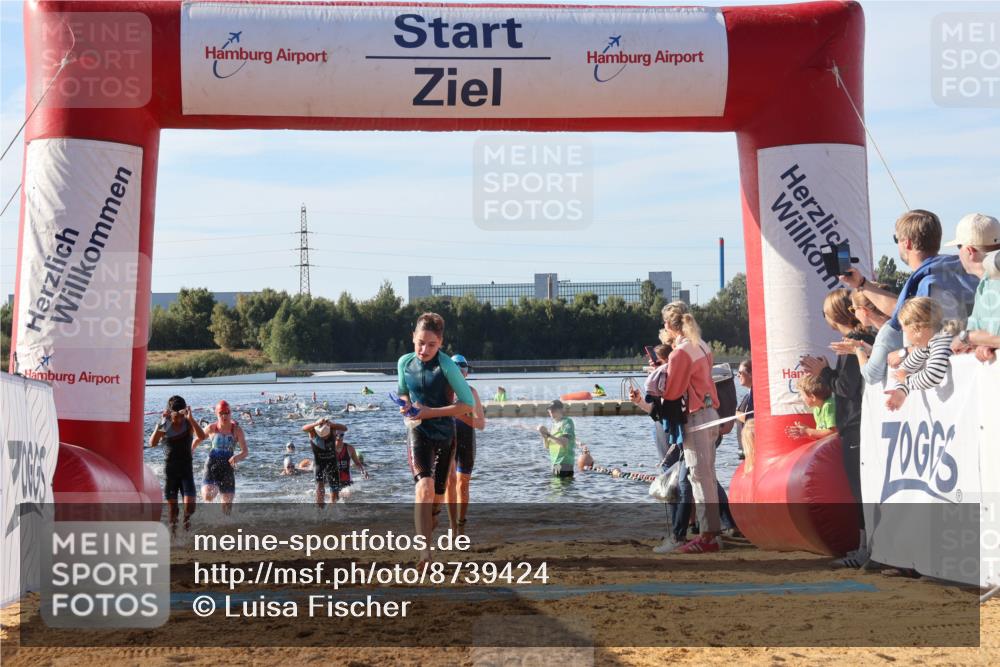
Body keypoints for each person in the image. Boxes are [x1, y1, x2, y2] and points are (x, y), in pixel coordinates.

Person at [839, 210, 978, 381]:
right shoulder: (963, 271)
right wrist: (861, 284)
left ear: (907, 243)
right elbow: (902, 309)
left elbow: (937, 339)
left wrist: (905, 352)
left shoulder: (929, 284)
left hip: (950, 382)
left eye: (896, 239)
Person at [800, 289, 875, 568]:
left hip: (855, 424)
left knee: (859, 491)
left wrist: (824, 373)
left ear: (835, 314)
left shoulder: (855, 341)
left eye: (825, 313)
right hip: (859, 422)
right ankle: (867, 548)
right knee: (863, 490)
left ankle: (865, 549)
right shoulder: (858, 340)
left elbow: (846, 387)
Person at [396, 312, 475, 565]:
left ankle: (434, 514)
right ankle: (425, 554)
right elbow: (403, 393)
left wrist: (430, 412)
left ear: (440, 343)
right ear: (412, 338)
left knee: (436, 497)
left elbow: (466, 405)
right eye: (420, 342)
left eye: (431, 344)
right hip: (418, 433)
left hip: (444, 436)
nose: (424, 349)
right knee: (424, 488)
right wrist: (405, 407)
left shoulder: (447, 367)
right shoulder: (404, 363)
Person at [660, 302, 722, 555]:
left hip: (696, 418)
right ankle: (712, 533)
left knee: (698, 476)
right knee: (707, 475)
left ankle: (708, 536)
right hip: (712, 414)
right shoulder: (702, 345)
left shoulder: (680, 353)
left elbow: (672, 392)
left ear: (668, 326)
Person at [149, 395, 205, 535]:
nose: (179, 419)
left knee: (190, 507)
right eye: (176, 415)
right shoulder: (165, 425)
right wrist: (163, 421)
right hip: (171, 472)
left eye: (181, 414)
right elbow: (152, 443)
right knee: (173, 511)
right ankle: (173, 535)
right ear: (170, 412)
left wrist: (191, 418)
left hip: (186, 470)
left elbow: (202, 436)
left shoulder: (188, 423)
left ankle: (186, 525)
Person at [885, 297, 955, 411]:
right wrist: (901, 390)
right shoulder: (928, 344)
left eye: (905, 330)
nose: (906, 336)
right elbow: (905, 368)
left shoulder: (941, 340)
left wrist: (906, 380)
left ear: (917, 329)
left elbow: (933, 376)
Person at [948, 213, 1000, 362]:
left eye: (959, 246)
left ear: (969, 251)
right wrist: (983, 343)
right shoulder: (984, 286)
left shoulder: (994, 283)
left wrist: (967, 338)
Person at [445, 354, 485, 537]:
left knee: (463, 484)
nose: (459, 376)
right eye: (455, 373)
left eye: (462, 372)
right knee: (449, 483)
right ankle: (452, 526)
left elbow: (481, 424)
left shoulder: (471, 392)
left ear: (466, 374)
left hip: (467, 440)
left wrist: (458, 414)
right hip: (447, 440)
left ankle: (461, 524)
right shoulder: (443, 394)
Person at [192, 400, 249, 515]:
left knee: (227, 510)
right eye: (221, 413)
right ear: (216, 414)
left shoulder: (237, 430)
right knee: (208, 496)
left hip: (228, 467)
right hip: (212, 464)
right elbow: (197, 439)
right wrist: (191, 451)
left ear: (230, 413)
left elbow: (245, 452)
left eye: (227, 413)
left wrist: (237, 457)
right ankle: (214, 489)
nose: (224, 416)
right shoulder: (211, 428)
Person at [831, 286, 893, 385]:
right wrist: (870, 351)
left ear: (864, 311)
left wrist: (859, 350)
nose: (854, 315)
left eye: (853, 309)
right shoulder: (891, 329)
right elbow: (889, 359)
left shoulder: (885, 334)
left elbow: (871, 376)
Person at [302, 417, 349, 507]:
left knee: (335, 490)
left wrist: (331, 424)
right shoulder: (313, 432)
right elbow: (303, 428)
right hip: (319, 464)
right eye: (322, 435)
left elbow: (345, 428)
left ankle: (332, 509)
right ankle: (320, 509)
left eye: (326, 435)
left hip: (332, 463)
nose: (325, 437)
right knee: (320, 487)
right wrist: (316, 424)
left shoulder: (332, 429)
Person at [785, 375, 837, 441]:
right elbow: (821, 438)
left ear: (812, 397)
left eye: (802, 395)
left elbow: (833, 433)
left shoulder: (829, 405)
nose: (802, 398)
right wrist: (805, 433)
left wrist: (808, 431)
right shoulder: (816, 409)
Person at [537, 399, 576, 478]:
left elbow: (564, 443)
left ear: (561, 410)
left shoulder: (567, 422)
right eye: (550, 410)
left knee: (562, 488)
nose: (551, 412)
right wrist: (544, 435)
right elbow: (547, 446)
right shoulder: (554, 425)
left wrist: (548, 435)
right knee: (556, 488)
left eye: (554, 409)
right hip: (555, 464)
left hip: (565, 463)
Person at [734, 358, 754, 460]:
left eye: (740, 372)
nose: (737, 375)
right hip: (745, 449)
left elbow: (751, 419)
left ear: (750, 374)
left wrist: (733, 414)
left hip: (751, 448)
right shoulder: (748, 395)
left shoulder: (755, 394)